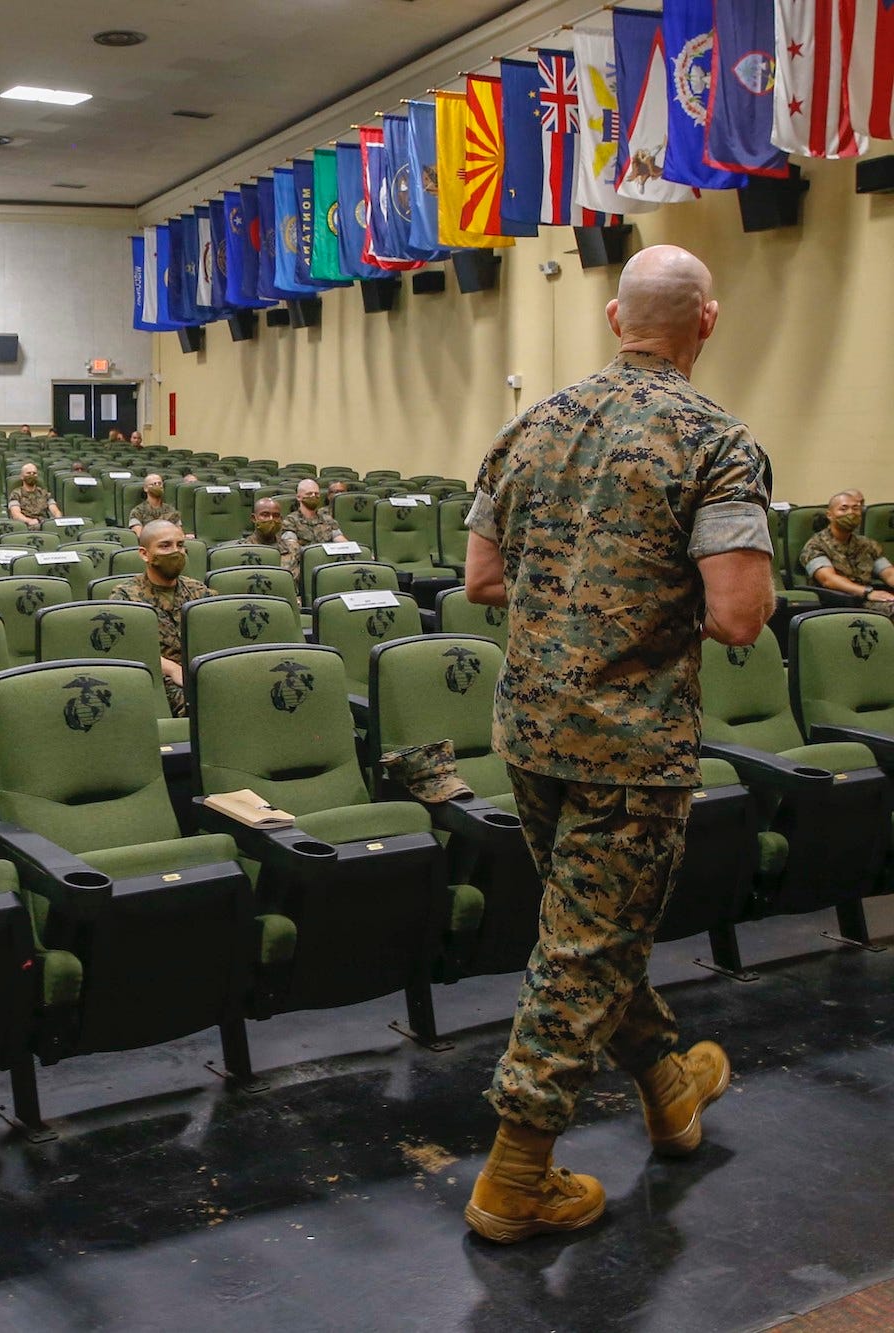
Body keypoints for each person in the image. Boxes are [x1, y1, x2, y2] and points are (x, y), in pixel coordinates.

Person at [459, 245, 774, 1243]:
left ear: (610, 317)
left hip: (529, 728)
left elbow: (478, 577)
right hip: (628, 744)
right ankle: (515, 1175)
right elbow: (736, 617)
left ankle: (668, 1092)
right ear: (706, 324)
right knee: (579, 948)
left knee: (589, 933)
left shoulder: (527, 424)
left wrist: (566, 603)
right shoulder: (715, 441)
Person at [110, 520, 209, 716]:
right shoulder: (125, 596)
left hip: (199, 671)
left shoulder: (198, 590)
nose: (176, 552)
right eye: (165, 546)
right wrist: (171, 668)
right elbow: (126, 649)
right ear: (144, 554)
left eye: (180, 545)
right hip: (156, 679)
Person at [800, 490, 894, 615]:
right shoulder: (816, 545)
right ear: (829, 515)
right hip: (838, 601)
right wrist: (867, 592)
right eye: (843, 509)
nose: (851, 513)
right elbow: (828, 579)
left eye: (855, 509)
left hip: (868, 598)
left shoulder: (867, 544)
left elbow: (888, 574)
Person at [236, 497, 300, 568]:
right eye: (265, 515)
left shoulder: (293, 548)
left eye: (276, 516)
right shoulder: (241, 550)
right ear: (254, 518)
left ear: (281, 519)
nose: (271, 519)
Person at [282, 478, 342, 548]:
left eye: (316, 494)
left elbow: (341, 541)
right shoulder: (290, 521)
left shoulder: (327, 519)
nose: (313, 496)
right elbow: (292, 547)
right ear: (298, 497)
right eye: (309, 493)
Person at [8, 464, 60, 529]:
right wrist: (29, 521)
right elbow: (16, 514)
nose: (32, 475)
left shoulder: (44, 493)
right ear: (21, 476)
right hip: (25, 526)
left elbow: (55, 510)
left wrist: (58, 518)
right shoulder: (15, 494)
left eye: (34, 473)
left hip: (44, 525)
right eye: (28, 473)